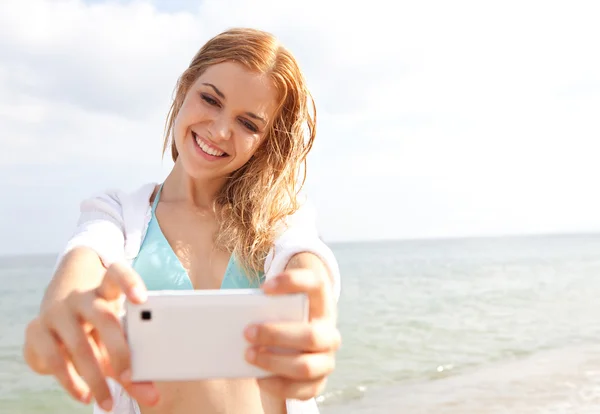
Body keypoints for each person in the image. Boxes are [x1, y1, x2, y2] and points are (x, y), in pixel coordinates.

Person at [22, 28, 341, 414]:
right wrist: (63, 312)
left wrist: (314, 312)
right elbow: (85, 258)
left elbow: (307, 260)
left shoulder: (278, 221)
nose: (220, 130)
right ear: (183, 90)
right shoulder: (118, 217)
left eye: (248, 124)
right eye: (210, 99)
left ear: (265, 141)